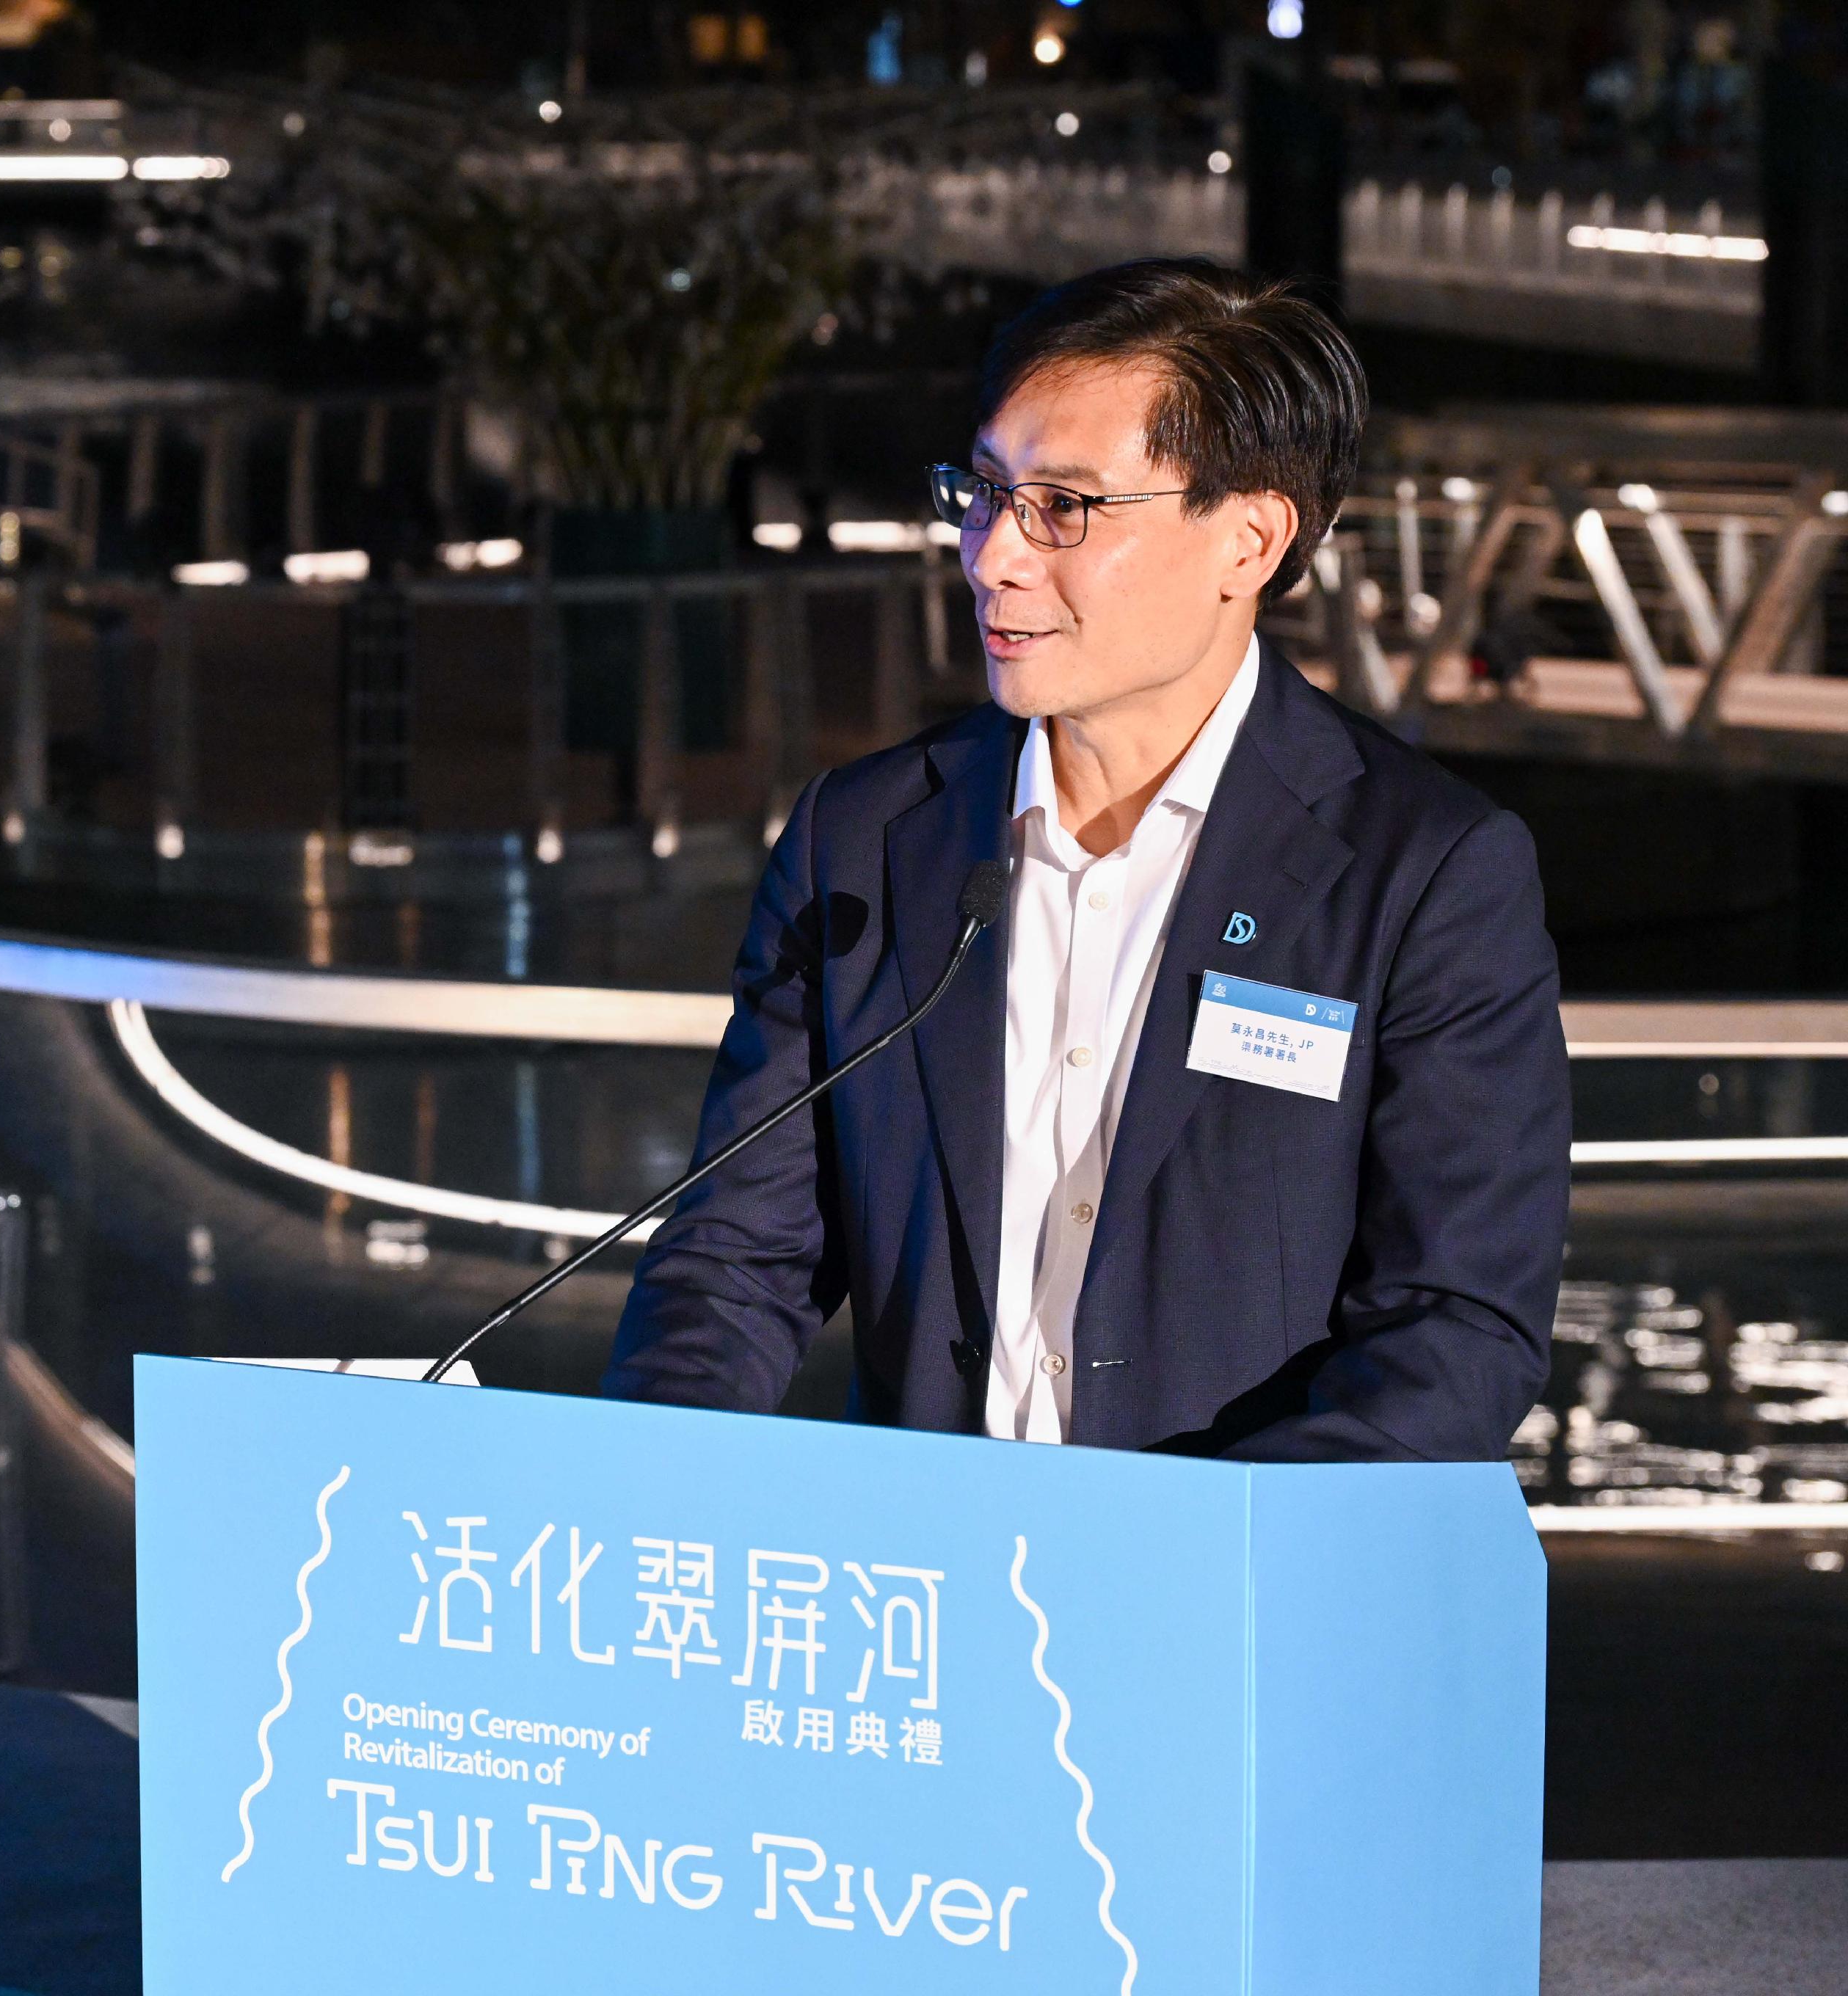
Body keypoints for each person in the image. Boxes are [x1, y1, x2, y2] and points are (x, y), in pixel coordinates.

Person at [603, 258, 1568, 1461]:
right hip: (928, 1601)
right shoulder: (863, 841)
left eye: (1064, 506)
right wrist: (644, 1485)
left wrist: (1187, 1557)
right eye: (987, 490)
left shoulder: (1427, 872)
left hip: (1233, 1607)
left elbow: (1457, 1326)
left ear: (1250, 539)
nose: (993, 556)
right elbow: (736, 1262)